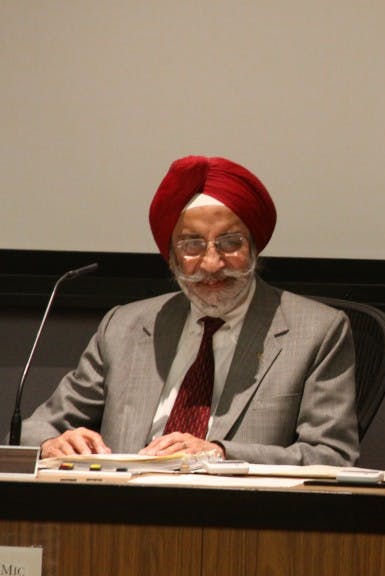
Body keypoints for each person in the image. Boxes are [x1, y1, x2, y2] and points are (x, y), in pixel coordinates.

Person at [22, 155, 360, 465]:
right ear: (171, 257)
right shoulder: (124, 326)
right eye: (192, 245)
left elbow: (332, 455)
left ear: (255, 247)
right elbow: (33, 429)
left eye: (230, 243)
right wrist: (54, 442)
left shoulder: (318, 331)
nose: (212, 264)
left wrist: (220, 452)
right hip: (121, 510)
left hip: (240, 518)